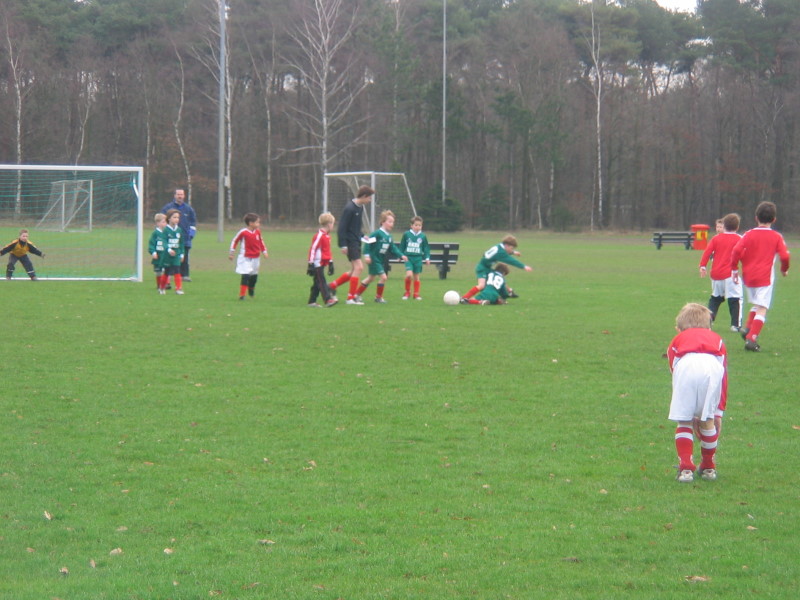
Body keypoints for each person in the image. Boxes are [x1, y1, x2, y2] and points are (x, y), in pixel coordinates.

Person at [667, 303, 727, 483]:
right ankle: (709, 467)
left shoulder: (677, 340)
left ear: (679, 329)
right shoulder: (717, 339)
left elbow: (674, 369)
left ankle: (686, 469)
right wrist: (718, 412)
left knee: (684, 420)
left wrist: (690, 409)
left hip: (686, 367)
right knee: (707, 421)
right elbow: (723, 376)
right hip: (712, 369)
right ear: (708, 326)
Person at [730, 201, 790, 352]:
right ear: (774, 219)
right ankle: (752, 339)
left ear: (756, 217)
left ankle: (748, 329)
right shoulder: (776, 236)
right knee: (762, 308)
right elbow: (784, 256)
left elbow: (736, 250)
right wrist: (784, 269)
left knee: (757, 304)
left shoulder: (748, 234)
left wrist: (734, 269)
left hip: (749, 277)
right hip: (765, 278)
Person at [328, 185, 375, 304]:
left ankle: (332, 286)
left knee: (354, 269)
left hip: (356, 241)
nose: (370, 201)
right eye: (369, 198)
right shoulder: (350, 208)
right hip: (350, 242)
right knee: (359, 267)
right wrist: (343, 245)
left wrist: (363, 236)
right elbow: (342, 228)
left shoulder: (360, 208)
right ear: (364, 196)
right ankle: (350, 298)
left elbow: (355, 227)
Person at [698, 213, 743, 331]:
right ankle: (735, 325)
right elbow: (745, 255)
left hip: (716, 274)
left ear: (724, 226)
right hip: (730, 274)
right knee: (735, 298)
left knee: (716, 298)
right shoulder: (739, 239)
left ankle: (707, 322)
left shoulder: (716, 238)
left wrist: (702, 266)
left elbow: (707, 252)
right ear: (737, 227)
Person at [352, 210, 408, 303]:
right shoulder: (377, 233)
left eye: (393, 222)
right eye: (389, 222)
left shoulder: (389, 236)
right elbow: (368, 244)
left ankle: (356, 295)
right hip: (374, 259)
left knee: (371, 278)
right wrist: (367, 256)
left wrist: (401, 255)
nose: (392, 224)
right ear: (383, 222)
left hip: (380, 260)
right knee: (383, 277)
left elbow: (393, 248)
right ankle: (378, 297)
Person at [461, 235, 532, 302]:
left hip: (487, 267)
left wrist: (513, 252)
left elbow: (496, 253)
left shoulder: (499, 246)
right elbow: (511, 261)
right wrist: (524, 266)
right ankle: (464, 298)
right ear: (506, 245)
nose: (511, 250)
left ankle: (510, 291)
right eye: (511, 248)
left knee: (498, 277)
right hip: (482, 268)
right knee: (481, 285)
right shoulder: (500, 252)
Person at [229, 213, 268, 300]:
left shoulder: (258, 231)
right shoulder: (243, 232)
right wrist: (232, 253)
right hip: (245, 257)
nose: (259, 224)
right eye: (257, 222)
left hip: (256, 257)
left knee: (254, 277)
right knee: (245, 275)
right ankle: (242, 295)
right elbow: (235, 241)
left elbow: (261, 241)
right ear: (251, 223)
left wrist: (264, 251)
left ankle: (251, 289)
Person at [161, 188, 197, 281]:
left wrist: (191, 234)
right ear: (174, 195)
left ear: (184, 196)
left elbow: (193, 222)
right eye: (178, 194)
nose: (180, 196)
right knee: (170, 255)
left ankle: (185, 275)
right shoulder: (167, 208)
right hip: (171, 238)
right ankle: (169, 274)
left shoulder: (188, 209)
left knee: (184, 256)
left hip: (184, 238)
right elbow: (162, 220)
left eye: (181, 194)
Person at [306, 212, 338, 308]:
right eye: (333, 224)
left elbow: (327, 251)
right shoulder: (319, 236)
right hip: (317, 263)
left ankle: (312, 301)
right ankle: (328, 300)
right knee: (321, 281)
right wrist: (310, 263)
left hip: (323, 262)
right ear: (329, 224)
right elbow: (313, 249)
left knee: (317, 282)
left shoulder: (327, 236)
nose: (333, 226)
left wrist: (330, 263)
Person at [399, 216, 431, 300]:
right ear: (411, 226)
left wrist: (427, 258)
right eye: (416, 225)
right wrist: (400, 255)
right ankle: (407, 292)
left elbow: (426, 248)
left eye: (419, 225)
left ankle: (416, 294)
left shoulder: (423, 236)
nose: (418, 227)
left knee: (416, 276)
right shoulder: (406, 234)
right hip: (408, 258)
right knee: (409, 275)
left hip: (418, 259)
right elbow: (402, 246)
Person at [163, 209, 185, 295]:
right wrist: (168, 249)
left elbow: (181, 243)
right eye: (174, 217)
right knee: (167, 271)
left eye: (178, 217)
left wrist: (182, 254)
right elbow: (163, 242)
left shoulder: (179, 230)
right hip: (167, 255)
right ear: (169, 219)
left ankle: (178, 288)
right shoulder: (165, 230)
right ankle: (162, 287)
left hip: (176, 254)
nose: (176, 219)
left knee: (177, 270)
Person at [148, 213, 168, 293]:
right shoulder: (155, 233)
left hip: (165, 256)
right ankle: (159, 285)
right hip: (158, 256)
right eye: (163, 222)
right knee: (158, 272)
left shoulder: (167, 232)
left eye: (166, 222)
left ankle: (163, 286)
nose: (165, 224)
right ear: (157, 223)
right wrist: (153, 253)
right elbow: (151, 244)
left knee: (165, 271)